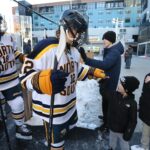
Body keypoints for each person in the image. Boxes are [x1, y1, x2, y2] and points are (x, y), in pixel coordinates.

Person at [20, 9, 106, 150]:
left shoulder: (74, 51)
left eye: (80, 32)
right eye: (75, 30)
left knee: (66, 136)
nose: (79, 35)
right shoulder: (45, 47)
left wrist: (92, 72)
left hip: (70, 107)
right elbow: (24, 77)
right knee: (56, 145)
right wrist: (41, 81)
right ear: (64, 27)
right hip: (54, 113)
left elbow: (76, 71)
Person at [79, 31, 124, 131]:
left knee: (108, 105)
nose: (103, 40)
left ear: (111, 40)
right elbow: (105, 67)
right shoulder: (109, 50)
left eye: (105, 39)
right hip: (106, 81)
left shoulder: (114, 52)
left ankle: (107, 125)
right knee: (105, 103)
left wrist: (86, 59)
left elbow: (105, 64)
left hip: (110, 84)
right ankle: (106, 119)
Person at [0, 14, 32, 140]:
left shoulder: (9, 37)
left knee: (18, 103)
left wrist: (22, 57)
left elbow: (14, 51)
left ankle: (20, 127)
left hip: (11, 79)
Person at [103, 76, 139, 150]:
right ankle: (111, 148)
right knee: (112, 141)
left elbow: (133, 121)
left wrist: (128, 134)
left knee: (124, 145)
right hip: (112, 128)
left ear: (126, 89)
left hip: (123, 132)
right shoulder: (114, 95)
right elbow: (103, 92)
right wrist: (103, 82)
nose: (118, 85)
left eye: (121, 84)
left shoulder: (132, 103)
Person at [138, 73, 150, 150]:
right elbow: (144, 93)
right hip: (147, 114)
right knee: (145, 135)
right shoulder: (148, 76)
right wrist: (140, 105)